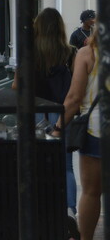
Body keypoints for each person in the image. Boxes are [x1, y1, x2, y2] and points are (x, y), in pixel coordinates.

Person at [12, 8, 78, 223]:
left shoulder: (29, 52)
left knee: (35, 160)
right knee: (65, 165)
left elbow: (16, 86)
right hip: (62, 111)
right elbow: (76, 89)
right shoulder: (71, 52)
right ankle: (69, 211)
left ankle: (40, 208)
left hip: (36, 111)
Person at [52, 28, 101, 240]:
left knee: (91, 192)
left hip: (97, 130)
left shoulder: (87, 53)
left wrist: (57, 128)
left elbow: (74, 98)